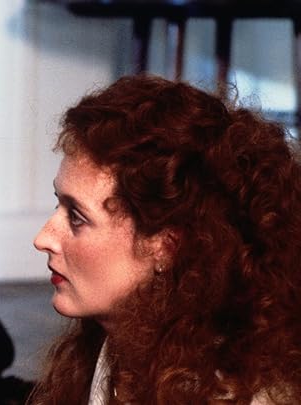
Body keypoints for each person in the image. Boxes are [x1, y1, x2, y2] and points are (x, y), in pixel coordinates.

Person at [29, 75, 301, 404]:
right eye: (59, 204)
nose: (43, 238)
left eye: (77, 217)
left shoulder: (238, 394)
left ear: (166, 246)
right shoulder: (118, 344)